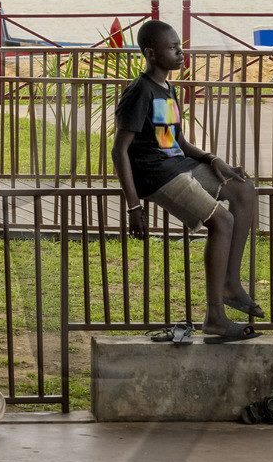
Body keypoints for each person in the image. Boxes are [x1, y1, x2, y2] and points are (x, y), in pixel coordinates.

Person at [111, 21, 262, 342]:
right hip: (157, 174)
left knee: (244, 190)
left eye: (180, 46)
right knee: (222, 220)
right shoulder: (139, 92)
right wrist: (133, 205)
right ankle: (215, 317)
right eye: (173, 48)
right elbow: (119, 150)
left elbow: (175, 141)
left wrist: (211, 158)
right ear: (151, 54)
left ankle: (231, 283)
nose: (181, 52)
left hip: (178, 162)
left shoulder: (166, 88)